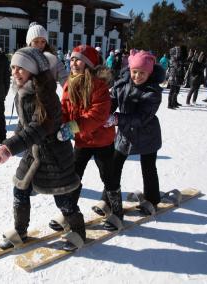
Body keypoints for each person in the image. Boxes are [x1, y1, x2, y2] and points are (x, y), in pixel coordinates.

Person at [0, 47, 85, 252]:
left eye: (21, 68)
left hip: (53, 155)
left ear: (33, 70)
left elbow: (37, 128)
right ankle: (20, 231)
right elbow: (23, 127)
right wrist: (8, 143)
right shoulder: (23, 91)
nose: (15, 71)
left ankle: (78, 232)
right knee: (20, 188)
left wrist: (9, 149)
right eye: (13, 67)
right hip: (33, 153)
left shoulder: (45, 95)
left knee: (62, 197)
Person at [54, 45, 122, 231]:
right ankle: (69, 212)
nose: (74, 63)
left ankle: (117, 212)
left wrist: (73, 127)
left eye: (79, 60)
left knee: (108, 176)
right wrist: (60, 123)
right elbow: (65, 109)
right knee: (73, 176)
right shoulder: (70, 83)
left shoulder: (99, 85)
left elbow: (98, 114)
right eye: (72, 59)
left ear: (89, 65)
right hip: (82, 140)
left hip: (102, 141)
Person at [104, 50, 164, 214]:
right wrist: (105, 113)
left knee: (148, 167)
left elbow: (141, 117)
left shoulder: (152, 92)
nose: (137, 76)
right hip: (125, 134)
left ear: (149, 73)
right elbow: (113, 101)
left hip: (147, 135)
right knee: (114, 166)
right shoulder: (122, 84)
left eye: (142, 73)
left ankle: (152, 200)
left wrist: (116, 119)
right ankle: (108, 200)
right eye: (134, 72)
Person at [26, 22, 69, 86]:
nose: (40, 45)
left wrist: (71, 91)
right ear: (29, 43)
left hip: (48, 95)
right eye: (36, 42)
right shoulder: (24, 59)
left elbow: (64, 79)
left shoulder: (53, 60)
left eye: (43, 41)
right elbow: (17, 86)